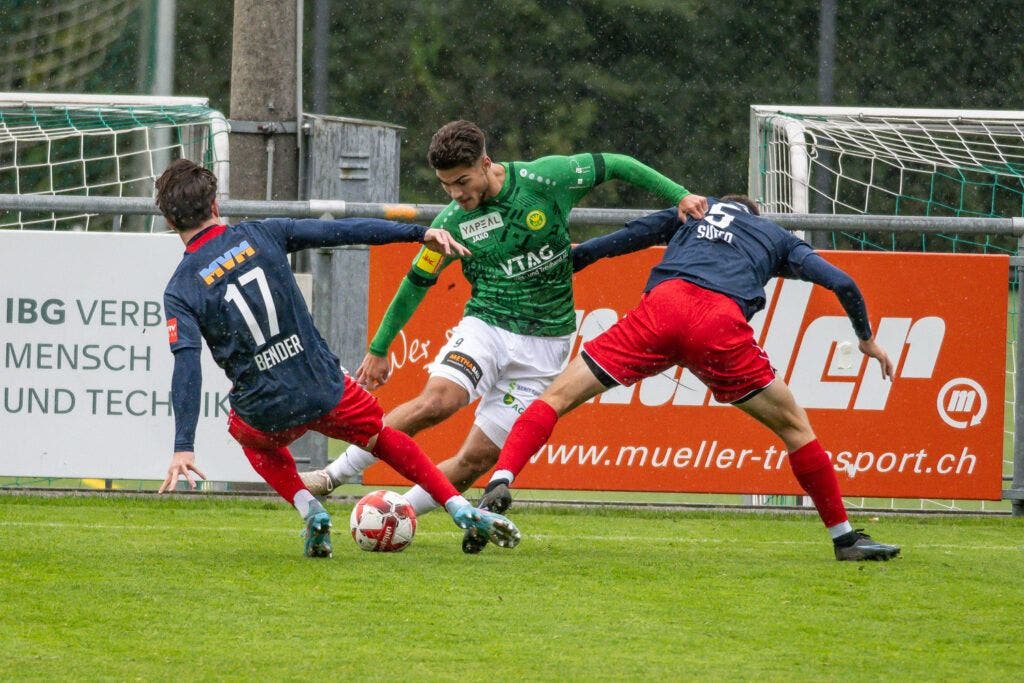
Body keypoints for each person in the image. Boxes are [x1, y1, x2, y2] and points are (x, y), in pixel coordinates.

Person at [301, 120, 707, 553]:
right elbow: (417, 281)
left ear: (486, 164)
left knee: (477, 459)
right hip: (486, 327)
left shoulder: (547, 178)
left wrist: (678, 195)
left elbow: (618, 164)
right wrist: (379, 348)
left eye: (462, 181)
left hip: (546, 344)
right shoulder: (452, 221)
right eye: (445, 185)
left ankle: (398, 515)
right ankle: (333, 475)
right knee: (438, 402)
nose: (456, 193)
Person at [476, 195, 901, 561]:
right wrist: (865, 339)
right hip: (718, 325)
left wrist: (554, 267)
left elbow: (613, 243)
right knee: (795, 429)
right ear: (754, 213)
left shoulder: (692, 208)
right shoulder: (775, 235)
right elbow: (842, 282)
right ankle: (844, 539)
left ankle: (502, 479)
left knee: (556, 398)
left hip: (662, 308)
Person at [153, 158, 520, 558]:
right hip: (323, 386)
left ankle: (309, 507)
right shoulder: (263, 233)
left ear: (171, 223)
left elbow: (186, 366)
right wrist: (419, 233)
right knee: (383, 438)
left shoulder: (180, 287)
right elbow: (341, 229)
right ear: (215, 206)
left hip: (264, 405)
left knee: (249, 438)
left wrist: (183, 447)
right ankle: (459, 506)